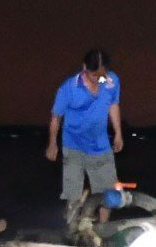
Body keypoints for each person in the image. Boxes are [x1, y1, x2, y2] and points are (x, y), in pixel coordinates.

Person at [46, 48, 123, 217]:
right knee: (73, 195)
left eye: (101, 75)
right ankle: (72, 230)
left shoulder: (111, 81)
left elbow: (113, 105)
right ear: (84, 68)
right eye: (94, 75)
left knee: (108, 195)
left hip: (101, 145)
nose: (98, 80)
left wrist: (118, 133)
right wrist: (52, 143)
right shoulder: (68, 88)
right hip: (73, 146)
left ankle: (102, 233)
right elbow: (56, 116)